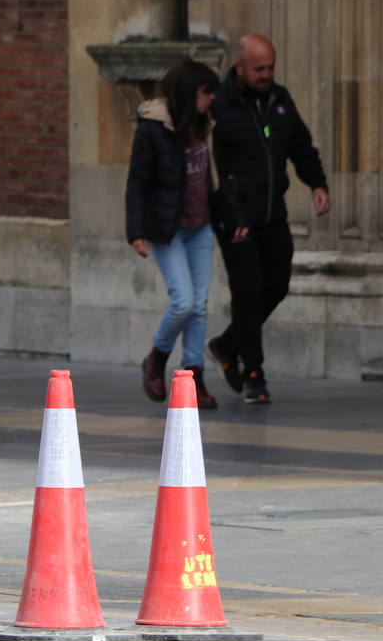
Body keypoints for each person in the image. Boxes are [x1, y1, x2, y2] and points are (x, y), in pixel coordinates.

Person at [207, 34, 331, 404]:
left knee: (276, 285)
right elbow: (219, 170)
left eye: (271, 67)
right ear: (239, 67)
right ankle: (254, 374)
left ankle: (228, 345)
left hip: (272, 213)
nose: (266, 74)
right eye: (259, 68)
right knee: (247, 294)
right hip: (237, 217)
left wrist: (316, 183)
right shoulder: (220, 107)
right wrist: (236, 214)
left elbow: (301, 144)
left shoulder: (279, 100)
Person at [125, 59, 222, 409]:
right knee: (183, 300)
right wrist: (136, 231)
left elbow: (213, 176)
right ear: (186, 91)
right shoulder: (153, 127)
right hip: (167, 229)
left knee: (199, 305)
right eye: (205, 91)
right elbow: (137, 182)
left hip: (201, 226)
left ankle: (193, 377)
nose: (211, 98)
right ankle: (157, 357)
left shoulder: (203, 122)